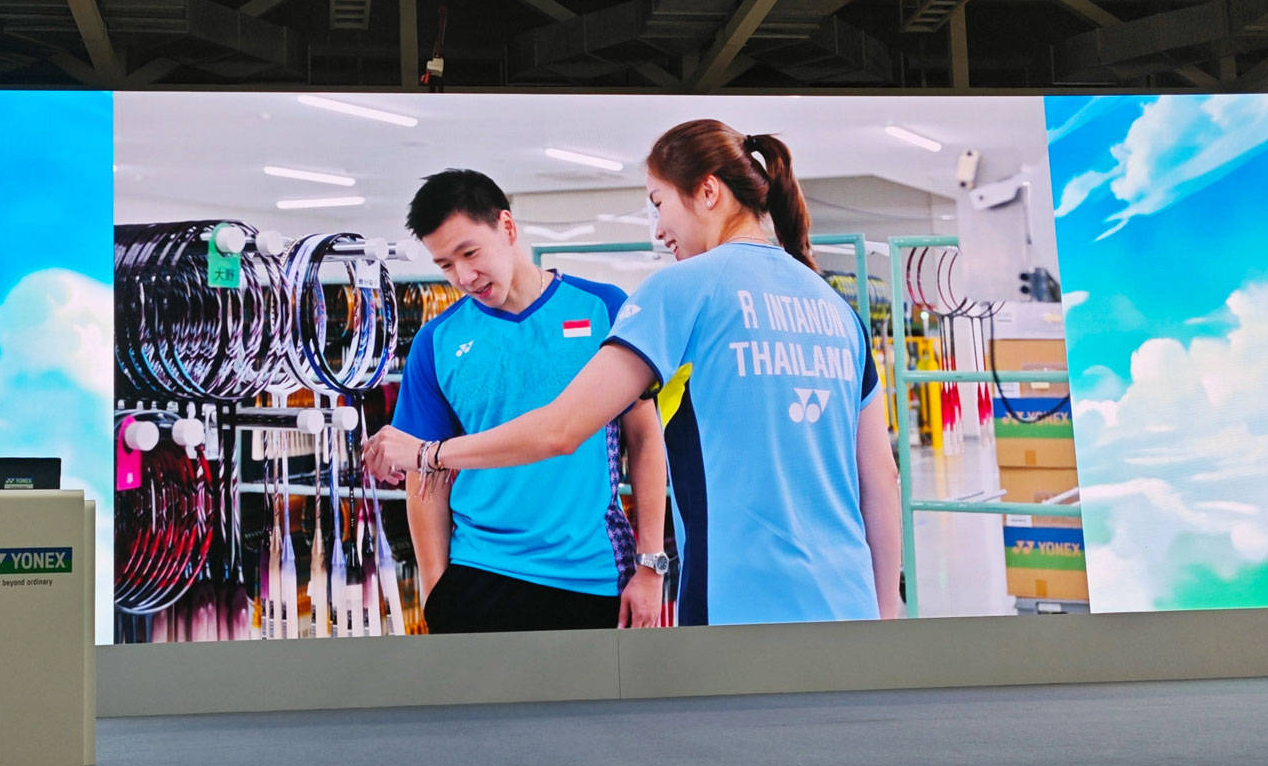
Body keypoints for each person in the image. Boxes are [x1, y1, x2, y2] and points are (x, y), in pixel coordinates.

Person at [367, 124, 902, 627]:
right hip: (847, 602)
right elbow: (880, 483)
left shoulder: (681, 289)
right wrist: (884, 621)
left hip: (736, 607)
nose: (659, 229)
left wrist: (428, 453)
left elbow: (561, 429)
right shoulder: (836, 310)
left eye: (658, 203)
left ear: (708, 192)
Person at [389, 169, 669, 634]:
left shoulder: (603, 307)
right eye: (445, 265)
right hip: (479, 573)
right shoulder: (436, 342)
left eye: (470, 253)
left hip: (592, 574)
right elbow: (425, 478)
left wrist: (651, 565)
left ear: (507, 227)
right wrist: (436, 592)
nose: (463, 276)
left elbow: (643, 438)